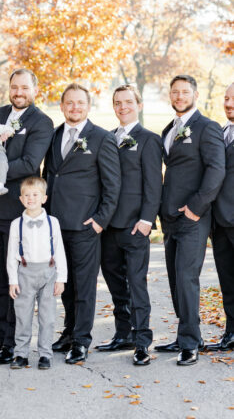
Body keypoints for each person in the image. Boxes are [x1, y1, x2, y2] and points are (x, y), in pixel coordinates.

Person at [0, 69, 53, 365]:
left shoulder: (41, 122)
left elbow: (30, 163)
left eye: (24, 88)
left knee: (14, 279)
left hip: (18, 212)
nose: (18, 92)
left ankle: (12, 343)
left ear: (35, 89)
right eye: (14, 87)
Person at [44, 83, 121, 364]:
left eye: (80, 103)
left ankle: (81, 340)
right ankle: (68, 332)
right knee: (65, 283)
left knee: (85, 285)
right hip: (55, 224)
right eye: (69, 103)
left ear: (88, 106)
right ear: (62, 106)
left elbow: (113, 185)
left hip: (86, 225)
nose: (74, 108)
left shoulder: (101, 138)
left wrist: (100, 221)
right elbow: (50, 175)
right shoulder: (54, 136)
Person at [156, 75, 225, 365]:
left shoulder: (207, 127)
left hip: (193, 217)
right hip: (170, 216)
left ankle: (189, 344)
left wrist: (196, 207)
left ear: (195, 94)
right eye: (175, 92)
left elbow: (216, 170)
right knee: (175, 280)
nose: (180, 96)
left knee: (186, 278)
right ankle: (188, 335)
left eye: (185, 91)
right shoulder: (169, 129)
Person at [95, 85, 162, 366]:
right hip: (108, 226)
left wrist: (147, 220)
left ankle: (143, 341)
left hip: (136, 225)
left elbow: (153, 183)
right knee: (115, 284)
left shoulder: (148, 139)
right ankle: (123, 333)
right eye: (117, 103)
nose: (122, 107)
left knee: (136, 284)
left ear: (139, 105)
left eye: (127, 102)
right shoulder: (107, 137)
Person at [7, 177, 66, 370]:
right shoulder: (17, 223)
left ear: (44, 198)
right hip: (25, 272)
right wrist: (13, 280)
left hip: (48, 273)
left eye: (35, 195)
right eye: (26, 195)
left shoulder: (52, 222)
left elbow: (59, 251)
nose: (30, 198)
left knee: (47, 317)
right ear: (21, 199)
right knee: (23, 316)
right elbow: (11, 254)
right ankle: (21, 354)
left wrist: (61, 278)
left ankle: (45, 354)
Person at [205, 82, 234, 352]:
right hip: (219, 221)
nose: (229, 103)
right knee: (227, 281)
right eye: (226, 98)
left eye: (233, 98)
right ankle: (231, 333)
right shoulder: (222, 132)